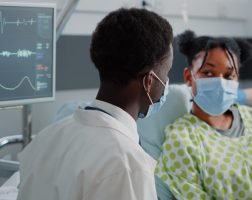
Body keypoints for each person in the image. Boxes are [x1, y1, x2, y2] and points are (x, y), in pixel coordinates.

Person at [17, 8, 173, 200]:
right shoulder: (127, 165)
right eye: (166, 73)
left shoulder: (46, 138)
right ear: (149, 81)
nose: (166, 82)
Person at [155, 30, 252, 200]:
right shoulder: (182, 140)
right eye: (208, 73)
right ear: (189, 76)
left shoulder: (251, 118)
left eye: (229, 75)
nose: (221, 83)